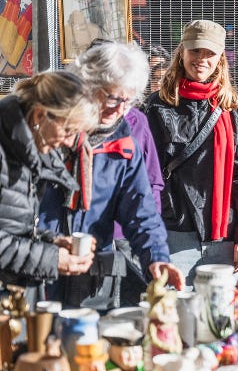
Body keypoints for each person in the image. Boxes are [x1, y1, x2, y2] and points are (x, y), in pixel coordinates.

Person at [39, 41, 183, 307]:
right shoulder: (49, 131)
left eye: (128, 101)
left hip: (94, 275)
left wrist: (157, 257)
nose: (119, 110)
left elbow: (142, 209)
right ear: (88, 86)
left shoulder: (124, 140)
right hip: (38, 269)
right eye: (113, 97)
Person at [145, 20, 238, 287]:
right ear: (182, 52)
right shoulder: (157, 107)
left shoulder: (232, 107)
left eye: (209, 53)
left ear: (220, 57)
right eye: (195, 51)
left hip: (225, 236)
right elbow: (148, 174)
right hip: (175, 234)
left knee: (222, 321)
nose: (201, 59)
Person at [0, 71, 98, 301]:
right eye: (67, 131)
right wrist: (50, 258)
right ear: (39, 115)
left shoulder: (27, 150)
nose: (67, 142)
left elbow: (12, 225)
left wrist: (49, 240)